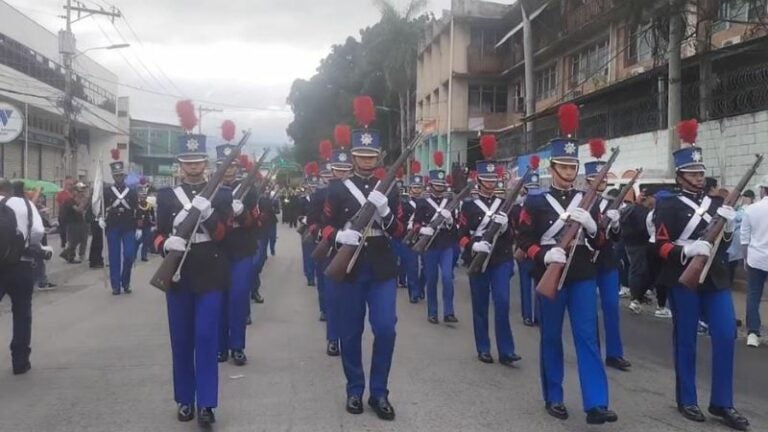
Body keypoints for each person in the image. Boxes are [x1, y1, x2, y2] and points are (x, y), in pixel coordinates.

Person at [517, 120, 617, 424]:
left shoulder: (590, 201)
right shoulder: (534, 201)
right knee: (551, 337)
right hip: (550, 272)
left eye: (574, 167)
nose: (570, 172)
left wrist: (591, 225)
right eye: (565, 166)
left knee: (588, 337)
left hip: (583, 273)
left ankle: (597, 403)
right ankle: (554, 396)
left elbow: (600, 241)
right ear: (553, 167)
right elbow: (523, 240)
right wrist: (544, 254)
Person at [654, 125, 749, 431]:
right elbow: (660, 245)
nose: (697, 178)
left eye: (700, 172)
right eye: (691, 173)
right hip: (683, 276)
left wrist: (730, 228)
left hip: (716, 277)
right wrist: (686, 251)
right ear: (680, 175)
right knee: (686, 339)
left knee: (725, 334)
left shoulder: (718, 205)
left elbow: (721, 242)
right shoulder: (666, 204)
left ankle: (722, 402)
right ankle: (687, 398)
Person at [320, 103, 404, 420]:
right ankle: (355, 389)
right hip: (350, 267)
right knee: (351, 332)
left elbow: (400, 230)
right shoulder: (337, 189)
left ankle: (379, 393)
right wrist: (337, 237)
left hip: (381, 265)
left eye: (372, 156)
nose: (367, 161)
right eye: (362, 156)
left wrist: (385, 213)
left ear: (379, 156)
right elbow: (321, 225)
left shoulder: (391, 189)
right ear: (353, 156)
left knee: (385, 329)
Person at [154, 132, 232, 426]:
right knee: (182, 339)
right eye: (188, 162)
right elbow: (156, 234)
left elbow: (225, 236)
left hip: (210, 270)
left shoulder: (221, 195)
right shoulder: (165, 196)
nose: (193, 167)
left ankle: (207, 403)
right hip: (178, 271)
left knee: (207, 337)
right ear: (180, 165)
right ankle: (185, 399)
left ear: (206, 163)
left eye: (198, 161)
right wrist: (165, 244)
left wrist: (209, 214)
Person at [458, 139, 521, 366]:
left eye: (494, 180)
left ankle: (507, 350)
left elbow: (515, 234)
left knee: (503, 303)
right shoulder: (468, 205)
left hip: (501, 257)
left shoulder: (506, 204)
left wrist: (506, 227)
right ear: (479, 180)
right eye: (487, 180)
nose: (491, 184)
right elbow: (461, 233)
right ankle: (483, 347)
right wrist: (472, 245)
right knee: (481, 305)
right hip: (478, 257)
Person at [583, 151, 632, 372]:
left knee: (611, 307)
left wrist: (614, 226)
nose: (602, 182)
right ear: (588, 180)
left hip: (608, 261)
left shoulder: (611, 203)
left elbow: (617, 238)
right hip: (587, 261)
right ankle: (593, 350)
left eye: (604, 178)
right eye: (597, 178)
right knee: (589, 310)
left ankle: (614, 353)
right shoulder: (581, 202)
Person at [216, 145, 260, 366]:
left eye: (233, 166)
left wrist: (242, 214)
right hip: (216, 251)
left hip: (242, 249)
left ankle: (238, 347)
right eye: (225, 166)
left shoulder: (249, 190)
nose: (229, 170)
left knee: (239, 298)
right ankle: (221, 346)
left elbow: (255, 222)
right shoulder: (210, 190)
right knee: (219, 299)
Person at [0, 178, 46, 374]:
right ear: (10, 189)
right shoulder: (25, 204)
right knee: (22, 312)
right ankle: (20, 361)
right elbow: (38, 231)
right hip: (22, 263)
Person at [413, 152, 459, 325]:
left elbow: (455, 227)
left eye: (442, 184)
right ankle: (432, 312)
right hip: (430, 245)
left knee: (447, 277)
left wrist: (449, 220)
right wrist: (422, 229)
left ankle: (449, 311)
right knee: (432, 278)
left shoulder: (449, 202)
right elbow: (416, 223)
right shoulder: (423, 202)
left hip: (446, 243)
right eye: (436, 184)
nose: (439, 188)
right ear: (430, 184)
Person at [102, 160, 140, 295]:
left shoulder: (132, 191)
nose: (119, 177)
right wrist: (100, 218)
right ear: (113, 176)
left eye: (121, 175)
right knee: (114, 256)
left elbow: (137, 209)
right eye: (116, 175)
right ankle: (115, 285)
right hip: (112, 225)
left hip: (128, 225)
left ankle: (126, 281)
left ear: (124, 176)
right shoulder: (106, 191)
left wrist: (139, 227)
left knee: (129, 255)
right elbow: (98, 208)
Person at [510, 169, 540, 326]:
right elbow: (515, 230)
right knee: (525, 285)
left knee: (539, 285)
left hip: (539, 251)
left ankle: (539, 315)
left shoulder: (543, 207)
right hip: (523, 249)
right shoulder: (516, 209)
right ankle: (527, 315)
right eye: (530, 189)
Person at [741, 177, 768, 348]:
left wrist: (745, 258)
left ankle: (753, 333)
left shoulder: (751, 209)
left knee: (753, 296)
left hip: (756, 258)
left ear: (763, 190)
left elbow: (744, 238)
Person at [402, 168, 426, 303]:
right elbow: (399, 220)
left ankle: (421, 287)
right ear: (410, 189)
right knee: (412, 267)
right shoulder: (404, 204)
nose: (417, 190)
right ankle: (413, 292)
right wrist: (408, 226)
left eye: (419, 188)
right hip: (409, 237)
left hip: (424, 237)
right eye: (414, 188)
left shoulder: (427, 203)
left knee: (426, 268)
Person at [59, 182, 90, 264]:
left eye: (83, 191)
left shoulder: (84, 200)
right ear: (75, 191)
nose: (82, 193)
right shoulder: (70, 201)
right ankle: (68, 256)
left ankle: (82, 255)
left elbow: (85, 211)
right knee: (73, 241)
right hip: (72, 223)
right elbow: (79, 210)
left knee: (84, 239)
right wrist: (84, 202)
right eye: (80, 191)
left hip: (82, 222)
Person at [727, 190, 754, 283]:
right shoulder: (739, 208)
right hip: (735, 239)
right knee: (732, 262)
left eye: (746, 197)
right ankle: (729, 281)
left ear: (750, 198)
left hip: (745, 239)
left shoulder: (750, 209)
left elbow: (738, 217)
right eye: (743, 197)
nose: (744, 199)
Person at [136, 186, 156, 262]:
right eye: (141, 196)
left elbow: (152, 215)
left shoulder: (149, 205)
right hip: (138, 226)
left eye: (144, 195)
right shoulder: (136, 205)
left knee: (146, 241)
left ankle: (144, 256)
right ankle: (133, 256)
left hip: (147, 225)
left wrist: (153, 224)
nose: (143, 197)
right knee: (137, 241)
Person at [56, 176, 74, 249]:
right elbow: (58, 204)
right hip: (63, 215)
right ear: (65, 184)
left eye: (71, 184)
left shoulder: (74, 193)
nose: (70, 186)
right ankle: (64, 242)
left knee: (70, 233)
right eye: (68, 184)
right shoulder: (61, 194)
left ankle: (69, 245)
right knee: (63, 231)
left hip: (72, 215)